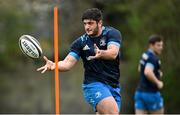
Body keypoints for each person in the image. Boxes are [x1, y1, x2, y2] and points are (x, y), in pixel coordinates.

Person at [37, 8, 122, 114]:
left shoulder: (112, 33)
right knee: (112, 113)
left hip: (113, 85)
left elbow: (113, 53)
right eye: (85, 23)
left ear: (100, 23)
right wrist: (55, 65)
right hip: (93, 85)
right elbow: (67, 63)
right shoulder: (80, 42)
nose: (87, 27)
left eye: (90, 23)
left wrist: (102, 54)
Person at [134, 35, 164, 114]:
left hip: (140, 92)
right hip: (151, 94)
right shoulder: (153, 58)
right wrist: (158, 82)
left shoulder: (145, 55)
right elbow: (147, 72)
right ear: (151, 45)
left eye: (161, 45)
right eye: (158, 45)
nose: (161, 47)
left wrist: (157, 72)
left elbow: (140, 69)